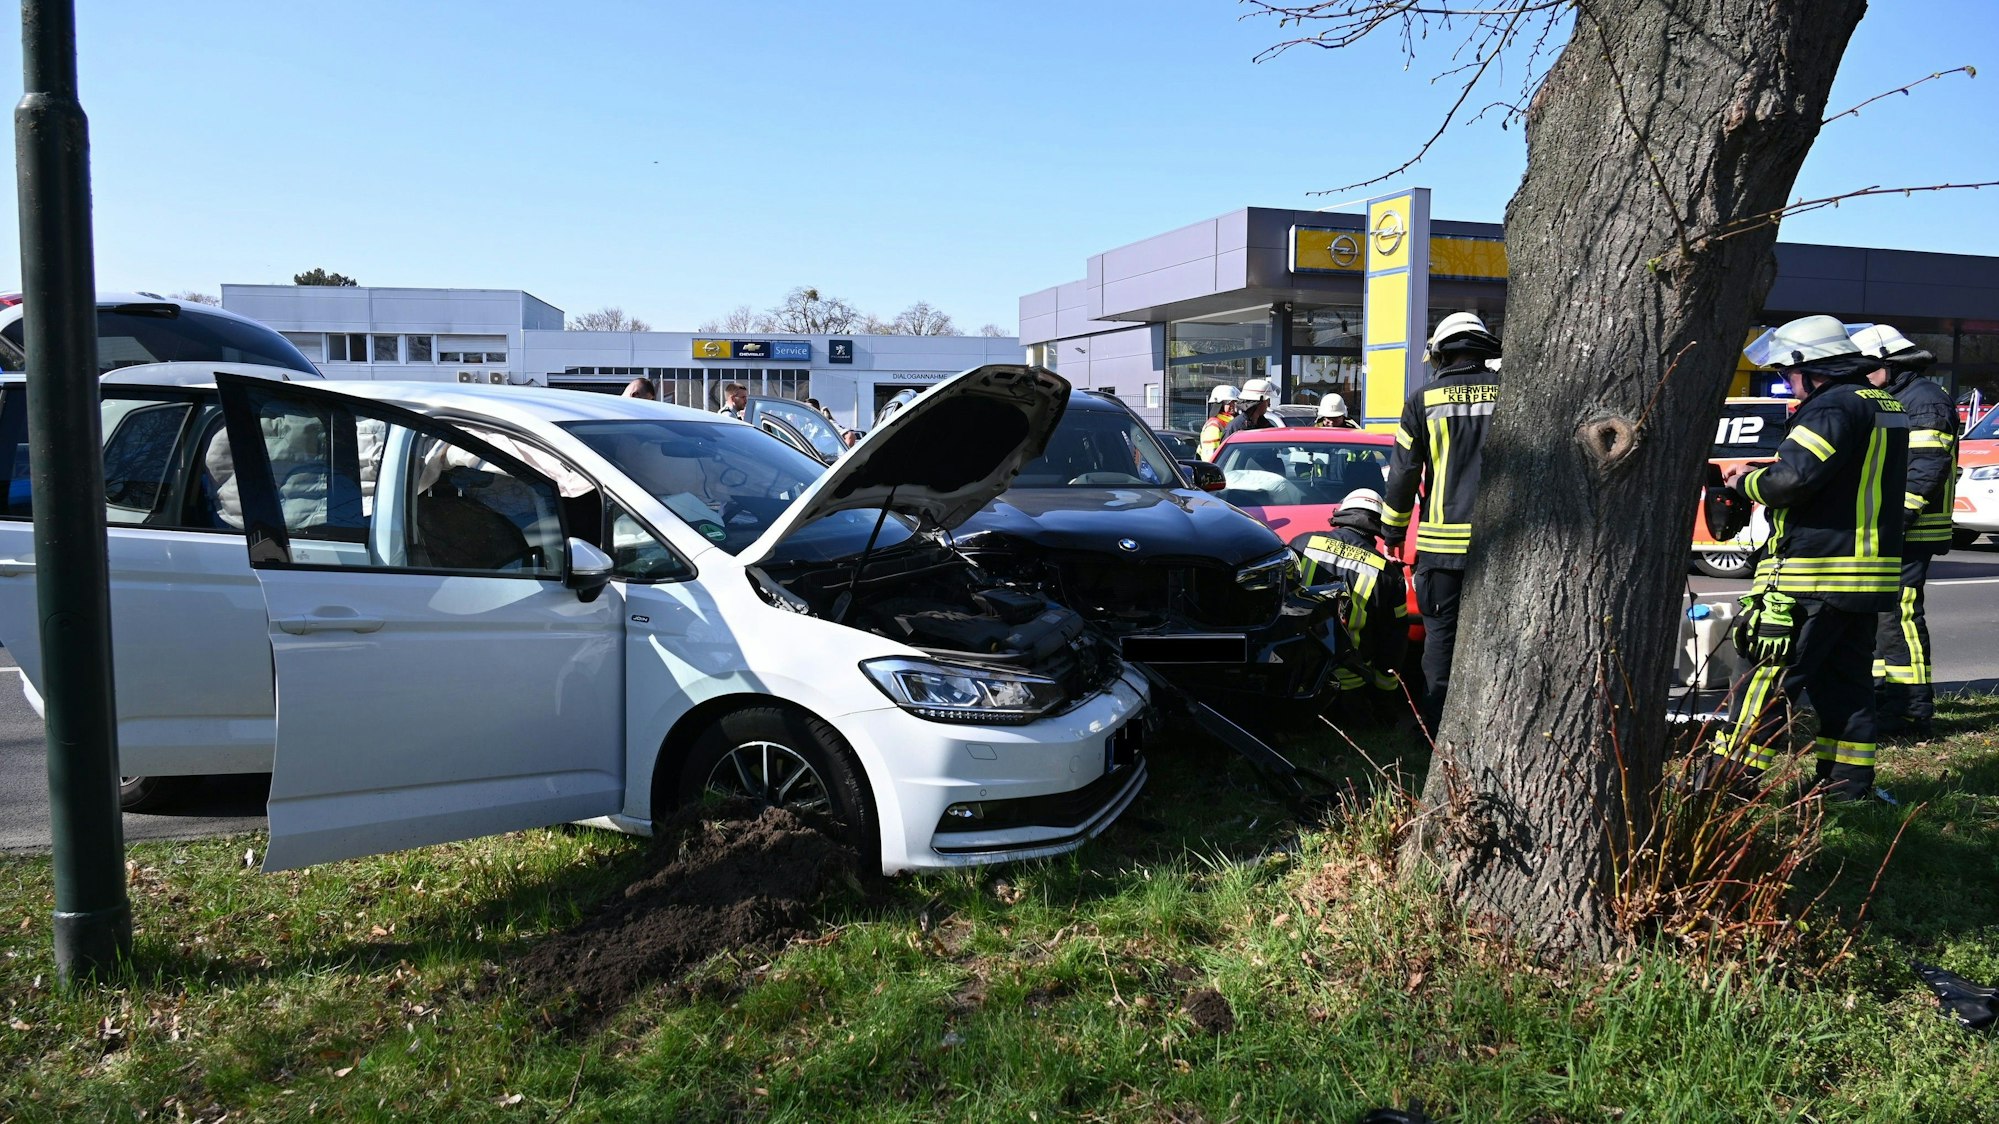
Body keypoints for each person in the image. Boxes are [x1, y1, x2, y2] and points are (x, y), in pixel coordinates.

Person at [1706, 315, 1910, 802]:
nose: (1785, 381)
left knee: (1761, 685)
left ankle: (1722, 793)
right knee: (1848, 690)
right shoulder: (1885, 405)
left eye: (1784, 372)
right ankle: (1847, 791)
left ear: (1809, 367)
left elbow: (1789, 484)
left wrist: (1741, 481)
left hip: (1810, 577)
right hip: (1866, 580)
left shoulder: (1831, 406)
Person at [1380, 312, 1501, 729]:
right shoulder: (1512, 394)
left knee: (1441, 642)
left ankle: (1435, 732)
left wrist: (1393, 532)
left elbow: (1403, 473)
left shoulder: (1423, 400)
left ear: (1441, 353)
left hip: (1442, 550)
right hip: (1504, 547)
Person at [1850, 323, 1956, 737]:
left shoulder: (1925, 401)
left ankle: (1912, 709)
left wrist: (1898, 519)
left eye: (1864, 368)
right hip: (1889, 526)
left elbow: (1926, 468)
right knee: (1881, 615)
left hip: (1911, 529)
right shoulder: (1893, 397)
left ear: (1888, 364)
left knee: (1900, 614)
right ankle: (1884, 698)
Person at [1291, 488, 1410, 712]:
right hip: (1349, 689)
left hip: (1295, 678)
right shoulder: (1387, 574)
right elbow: (1393, 641)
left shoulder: (1301, 544)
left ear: (1341, 513)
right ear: (1378, 524)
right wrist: (1384, 699)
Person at [1197, 384, 1240, 461]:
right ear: (1220, 404)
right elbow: (1210, 457)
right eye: (1229, 402)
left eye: (1234, 402)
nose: (1233, 405)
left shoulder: (1231, 421)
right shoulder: (1213, 425)